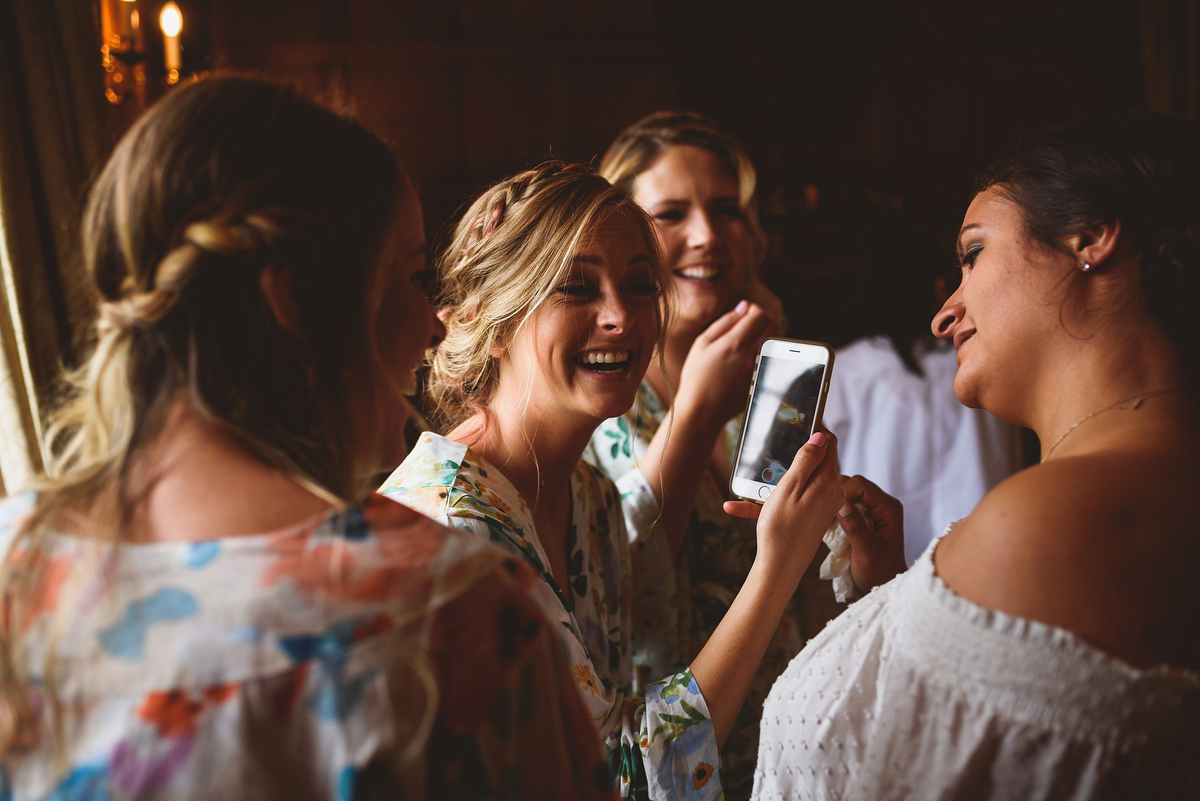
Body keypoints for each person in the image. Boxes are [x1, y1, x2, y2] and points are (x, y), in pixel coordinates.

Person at [0, 75, 612, 800]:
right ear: (292, 299)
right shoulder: (451, 618)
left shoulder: (16, 562)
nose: (432, 323)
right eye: (413, 277)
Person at [751, 111, 1200, 799]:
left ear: (1090, 237)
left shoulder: (1050, 523)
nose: (944, 312)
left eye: (972, 254)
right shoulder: (1086, 501)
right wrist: (893, 594)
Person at [379, 162, 844, 801]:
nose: (620, 318)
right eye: (575, 288)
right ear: (492, 317)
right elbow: (612, 777)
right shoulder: (452, 527)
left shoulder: (587, 494)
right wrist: (777, 566)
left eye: (639, 285)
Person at [583, 111, 834, 798]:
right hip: (674, 764)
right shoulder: (599, 390)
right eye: (671, 213)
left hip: (786, 749)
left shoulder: (774, 379)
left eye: (726, 210)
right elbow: (622, 586)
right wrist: (692, 413)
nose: (706, 235)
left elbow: (800, 582)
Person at [820, 216, 1025, 565]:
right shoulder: (983, 357)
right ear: (939, 286)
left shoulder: (850, 368)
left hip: (889, 550)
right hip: (988, 545)